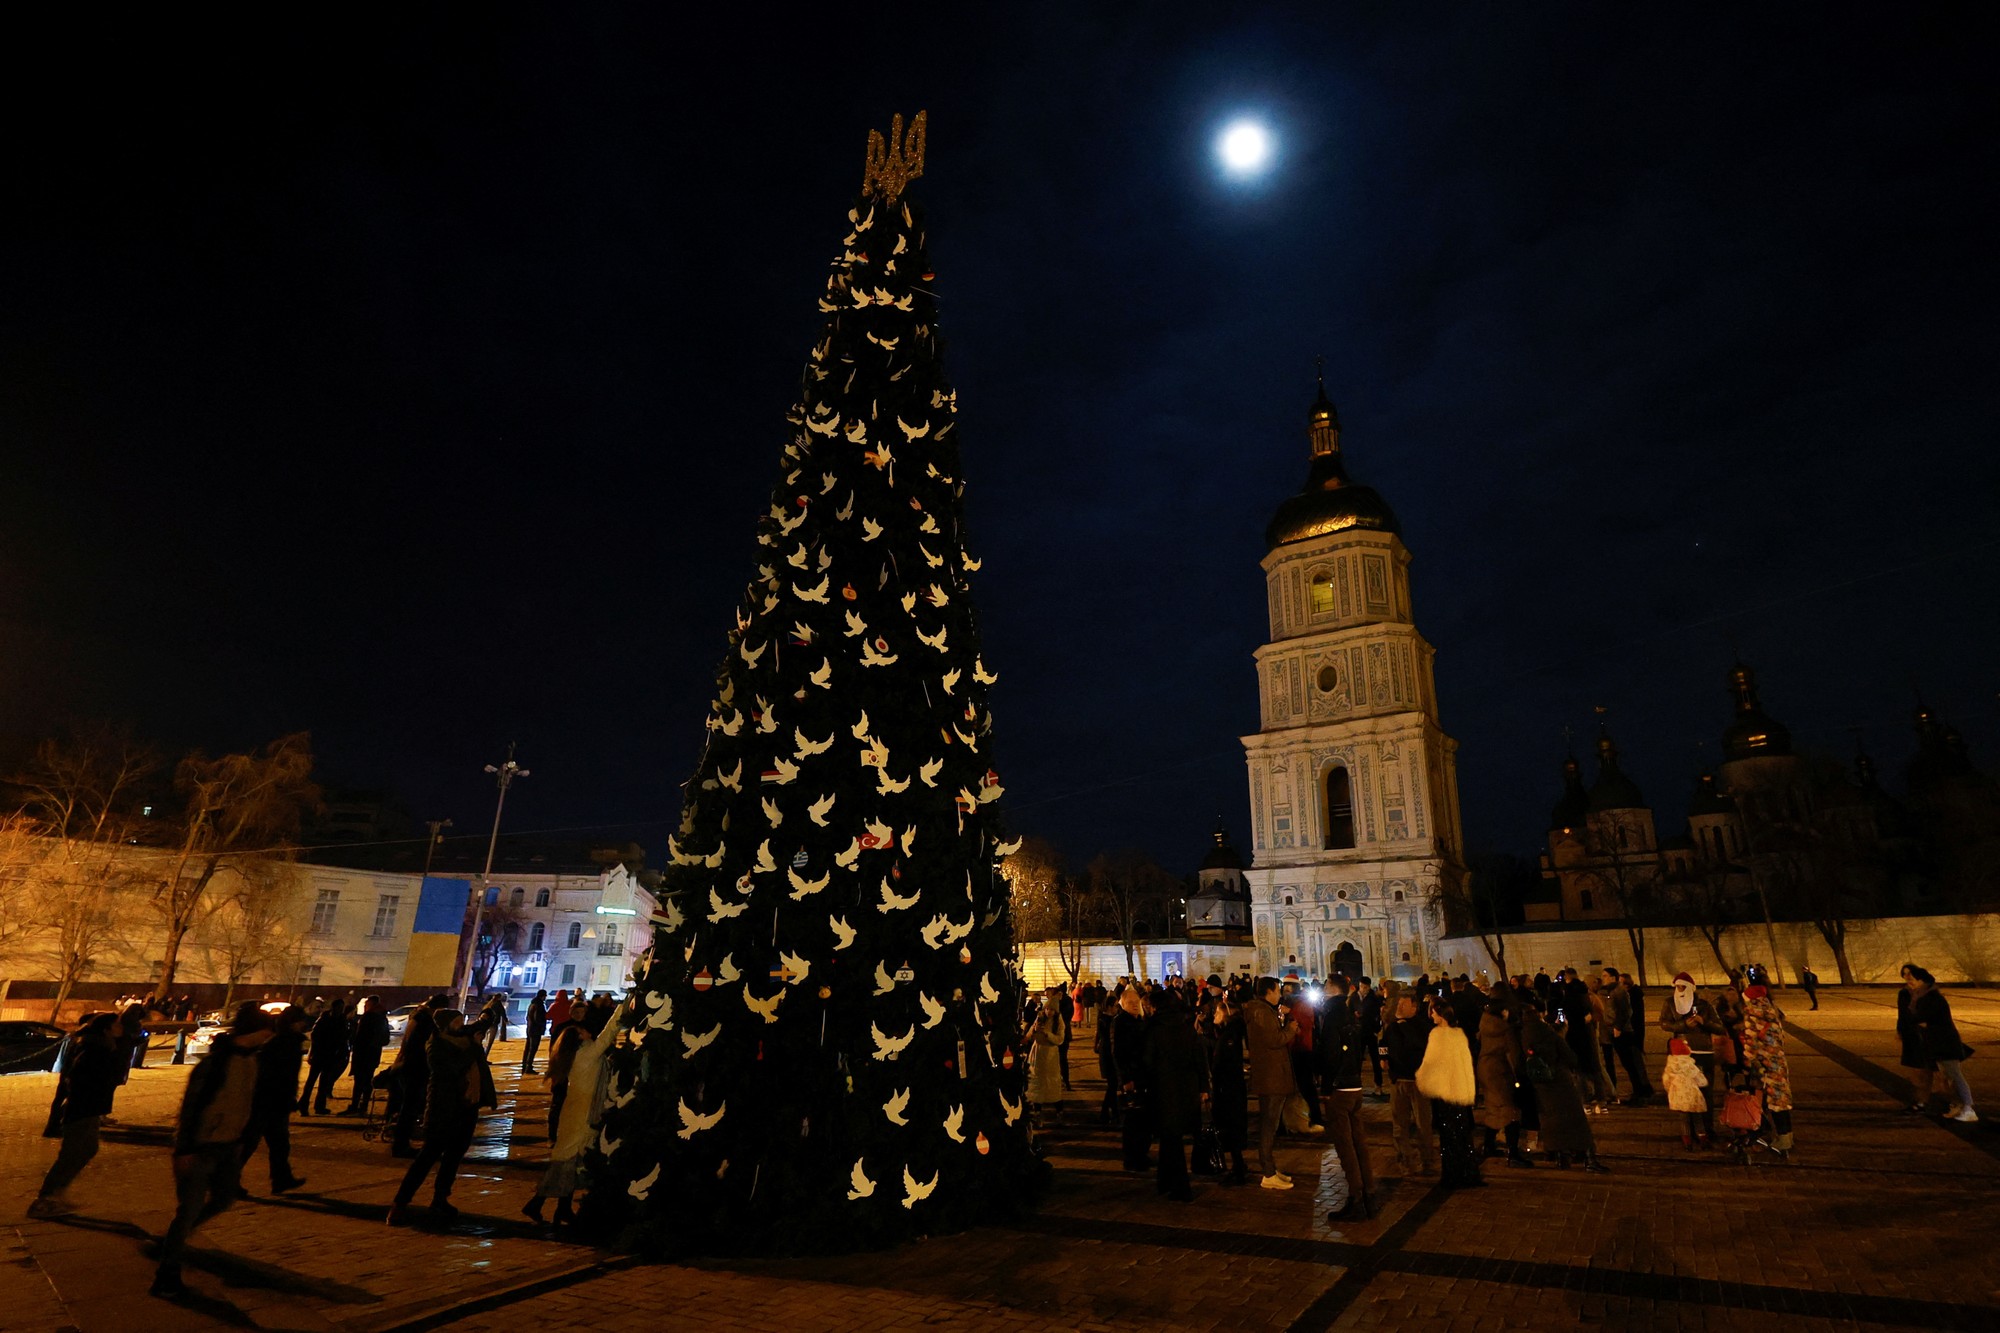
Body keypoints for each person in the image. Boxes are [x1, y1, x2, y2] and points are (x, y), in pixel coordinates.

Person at [149, 1004, 275, 1299]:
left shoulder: (251, 1061)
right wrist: (185, 1149)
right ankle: (166, 1273)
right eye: (266, 1032)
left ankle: (173, 1241)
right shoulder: (217, 1063)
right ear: (255, 1032)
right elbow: (192, 1107)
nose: (268, 1038)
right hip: (201, 1147)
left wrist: (241, 1136)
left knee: (223, 1199)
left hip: (228, 1145)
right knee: (188, 1210)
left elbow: (244, 1102)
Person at [388, 1006, 499, 1224]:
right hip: (443, 1108)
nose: (461, 1025)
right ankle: (399, 1203)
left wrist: (487, 1014)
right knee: (427, 1157)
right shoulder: (436, 1045)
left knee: (453, 1158)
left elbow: (480, 1025)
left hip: (467, 1107)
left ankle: (440, 1199)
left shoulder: (463, 1037)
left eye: (461, 1021)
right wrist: (475, 1047)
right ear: (446, 1025)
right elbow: (451, 1069)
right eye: (457, 1022)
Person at [524, 997, 627, 1227]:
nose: (586, 1031)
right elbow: (609, 1032)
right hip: (582, 1116)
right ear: (579, 1038)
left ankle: (559, 1208)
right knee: (567, 1164)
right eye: (582, 1031)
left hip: (573, 1113)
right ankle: (539, 1203)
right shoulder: (587, 1054)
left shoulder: (573, 1056)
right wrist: (625, 1004)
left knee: (567, 1164)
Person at [28, 1013, 124, 1217]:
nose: (120, 1027)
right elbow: (77, 1078)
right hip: (82, 1108)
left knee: (89, 1148)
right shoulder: (94, 1049)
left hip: (90, 1107)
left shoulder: (102, 1046)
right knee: (70, 1154)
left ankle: (58, 1192)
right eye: (116, 1024)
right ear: (106, 1029)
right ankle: (46, 1198)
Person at [1523, 998, 1608, 1171]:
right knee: (1575, 1121)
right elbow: (1570, 1057)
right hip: (1561, 1083)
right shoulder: (1548, 1032)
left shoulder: (1522, 1035)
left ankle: (1562, 1157)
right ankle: (1589, 1158)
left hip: (1541, 1084)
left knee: (1552, 1122)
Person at [1318, 977, 1378, 1220]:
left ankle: (1355, 1196)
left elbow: (1330, 1054)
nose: (1322, 991)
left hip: (1340, 1088)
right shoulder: (1350, 1013)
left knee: (1345, 1145)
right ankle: (1369, 1191)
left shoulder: (1333, 1016)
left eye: (1324, 987)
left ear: (1332, 989)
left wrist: (1326, 1086)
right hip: (1354, 1085)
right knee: (1359, 1141)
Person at [1246, 976, 1310, 1190]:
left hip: (1273, 1075)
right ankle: (1268, 1173)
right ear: (1268, 992)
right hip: (1270, 1078)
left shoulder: (1265, 1011)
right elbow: (1274, 1040)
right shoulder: (1261, 1012)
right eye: (1277, 990)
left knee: (1271, 1125)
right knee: (1268, 1125)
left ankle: (1271, 1169)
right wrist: (1290, 1028)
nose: (1280, 994)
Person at [241, 1006, 310, 1194]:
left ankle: (281, 1179)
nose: (304, 1024)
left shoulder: (286, 1042)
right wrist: (286, 1097)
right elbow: (279, 1075)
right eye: (301, 1020)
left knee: (278, 1143)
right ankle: (228, 1181)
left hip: (273, 1099)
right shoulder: (283, 1043)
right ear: (294, 1022)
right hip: (269, 1100)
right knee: (251, 1142)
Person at [1146, 988, 1206, 1202]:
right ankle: (1164, 1181)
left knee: (1171, 1140)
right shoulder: (1186, 1027)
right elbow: (1199, 1057)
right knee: (1171, 1138)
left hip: (1163, 1090)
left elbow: (1148, 1061)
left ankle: (1180, 1187)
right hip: (1186, 1089)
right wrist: (1203, 1087)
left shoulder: (1154, 1028)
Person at [1415, 996, 1480, 1189]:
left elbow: (1431, 1063)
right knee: (1463, 1136)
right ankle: (1468, 1173)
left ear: (1440, 1014)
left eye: (1433, 1012)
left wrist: (1422, 1078)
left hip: (1445, 1093)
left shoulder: (1437, 1035)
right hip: (1461, 1092)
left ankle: (1452, 1175)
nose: (1431, 1015)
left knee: (1448, 1138)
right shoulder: (1459, 1035)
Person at [1657, 972, 1725, 1143]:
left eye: (1683, 987)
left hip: (1703, 1052)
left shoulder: (1704, 1005)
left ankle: (1707, 1129)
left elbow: (1719, 1028)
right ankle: (1690, 1130)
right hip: (1682, 1054)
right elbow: (1664, 1023)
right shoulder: (1669, 1003)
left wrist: (1704, 1022)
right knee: (1685, 1094)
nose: (1679, 990)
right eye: (1677, 987)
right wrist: (1682, 1025)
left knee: (1705, 1093)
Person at [1907, 966, 1977, 1123]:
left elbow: (1921, 1019)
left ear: (1922, 981)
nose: (1909, 983)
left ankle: (1968, 1108)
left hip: (1945, 1043)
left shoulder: (1932, 998)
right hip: (1938, 1042)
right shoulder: (1924, 997)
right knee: (1949, 1076)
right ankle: (1960, 1105)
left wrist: (1918, 1020)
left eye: (1913, 979)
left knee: (1955, 1076)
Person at [1381, 992, 1437, 1176]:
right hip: (1399, 1081)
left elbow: (1419, 1046)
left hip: (1417, 1082)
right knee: (1399, 1124)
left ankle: (1426, 1159)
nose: (1399, 1008)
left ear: (1414, 1007)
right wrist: (1383, 1058)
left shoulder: (1422, 1027)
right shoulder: (1393, 1027)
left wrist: (1404, 1027)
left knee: (1423, 1124)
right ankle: (1405, 1158)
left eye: (1403, 1005)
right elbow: (1383, 1044)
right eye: (1399, 1005)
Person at [1474, 992, 1530, 1167]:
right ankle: (1513, 1153)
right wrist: (1520, 1077)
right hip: (1500, 1071)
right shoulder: (1505, 1029)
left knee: (1494, 1108)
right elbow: (1513, 1056)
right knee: (1509, 1110)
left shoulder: (1486, 1024)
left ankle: (1489, 1145)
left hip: (1485, 1069)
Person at [1739, 982, 1796, 1148]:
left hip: (1765, 1061)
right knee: (1782, 1100)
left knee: (1774, 1101)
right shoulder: (1772, 1010)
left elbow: (1751, 1038)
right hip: (1778, 1059)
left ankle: (1782, 1140)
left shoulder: (1752, 1011)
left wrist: (1748, 1060)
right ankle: (1788, 1136)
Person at [388, 997, 445, 1156]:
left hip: (409, 1066)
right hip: (415, 1068)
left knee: (408, 1107)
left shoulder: (417, 1017)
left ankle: (401, 1143)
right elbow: (421, 1046)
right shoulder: (425, 1021)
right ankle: (400, 1145)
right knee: (409, 1108)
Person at [1206, 989, 1250, 1185]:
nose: (1214, 1015)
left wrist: (1218, 1086)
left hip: (1228, 1090)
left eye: (1217, 1012)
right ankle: (1238, 1165)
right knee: (1231, 1128)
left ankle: (1238, 1168)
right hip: (1229, 1087)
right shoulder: (1227, 1032)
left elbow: (1226, 1063)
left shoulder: (1230, 1036)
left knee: (1230, 1128)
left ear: (1226, 1013)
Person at [1112, 984, 1153, 1172]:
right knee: (1132, 1121)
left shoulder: (1141, 1021)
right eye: (1130, 1002)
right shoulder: (1120, 1022)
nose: (1135, 1005)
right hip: (1131, 1078)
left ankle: (1142, 1154)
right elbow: (1119, 1053)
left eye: (1137, 1002)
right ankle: (1132, 1158)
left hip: (1143, 1076)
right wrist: (1126, 1078)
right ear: (1122, 1004)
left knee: (1143, 1119)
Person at [1601, 968, 1654, 1104]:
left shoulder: (1619, 992)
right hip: (1618, 1031)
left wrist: (1618, 1027)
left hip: (1623, 1032)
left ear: (1613, 977)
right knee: (1628, 1064)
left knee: (1630, 1064)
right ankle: (1639, 1091)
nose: (1603, 978)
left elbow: (1625, 1011)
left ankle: (1639, 1093)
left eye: (1605, 976)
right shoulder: (1613, 991)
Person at [1027, 986, 1068, 1134]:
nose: (1049, 1012)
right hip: (1037, 1054)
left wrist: (1048, 1034)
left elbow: (1060, 1039)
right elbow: (1030, 1033)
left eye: (1052, 1010)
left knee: (1052, 1084)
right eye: (1047, 1009)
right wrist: (1030, 1035)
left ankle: (1059, 1113)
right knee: (1037, 1084)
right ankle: (1038, 1114)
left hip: (1050, 1056)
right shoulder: (1039, 1018)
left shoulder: (1059, 1022)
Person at [298, 997, 349, 1116]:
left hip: (330, 1055)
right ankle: (305, 1104)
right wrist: (315, 1051)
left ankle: (319, 1106)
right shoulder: (326, 1019)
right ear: (334, 1007)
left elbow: (343, 1037)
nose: (340, 1010)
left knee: (323, 1082)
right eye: (339, 1007)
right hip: (321, 1054)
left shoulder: (339, 1019)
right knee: (312, 1081)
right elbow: (316, 1036)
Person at [342, 996, 392, 1115]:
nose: (365, 1007)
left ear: (371, 1004)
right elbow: (385, 1038)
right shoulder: (382, 1017)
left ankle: (355, 1105)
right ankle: (363, 1105)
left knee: (359, 1081)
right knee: (367, 1079)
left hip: (363, 1054)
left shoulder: (369, 1017)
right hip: (374, 1054)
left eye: (366, 1005)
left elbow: (360, 1037)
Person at [1896, 964, 1935, 1113]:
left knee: (1925, 1068)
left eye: (1910, 974)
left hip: (1924, 1034)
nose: (1908, 977)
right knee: (1914, 1069)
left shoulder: (1927, 993)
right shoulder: (1904, 993)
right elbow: (1901, 1013)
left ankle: (1923, 1100)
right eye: (1905, 974)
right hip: (1910, 1033)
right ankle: (1919, 1099)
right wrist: (1900, 1030)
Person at [1662, 1037, 1710, 1148]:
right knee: (1698, 1119)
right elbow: (1702, 1082)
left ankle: (1687, 1140)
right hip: (1693, 1097)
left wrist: (1670, 1089)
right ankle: (1702, 1138)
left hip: (1679, 1097)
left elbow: (1666, 1081)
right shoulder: (1690, 1066)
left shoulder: (1670, 1066)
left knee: (1684, 1120)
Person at [522, 989, 548, 1075]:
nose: (545, 998)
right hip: (536, 1030)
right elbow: (538, 1018)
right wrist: (542, 1024)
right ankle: (528, 1067)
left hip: (530, 1028)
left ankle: (524, 1065)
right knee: (533, 1049)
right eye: (545, 996)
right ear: (542, 996)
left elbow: (527, 1017)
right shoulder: (539, 1005)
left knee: (528, 1048)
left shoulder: (532, 1004)